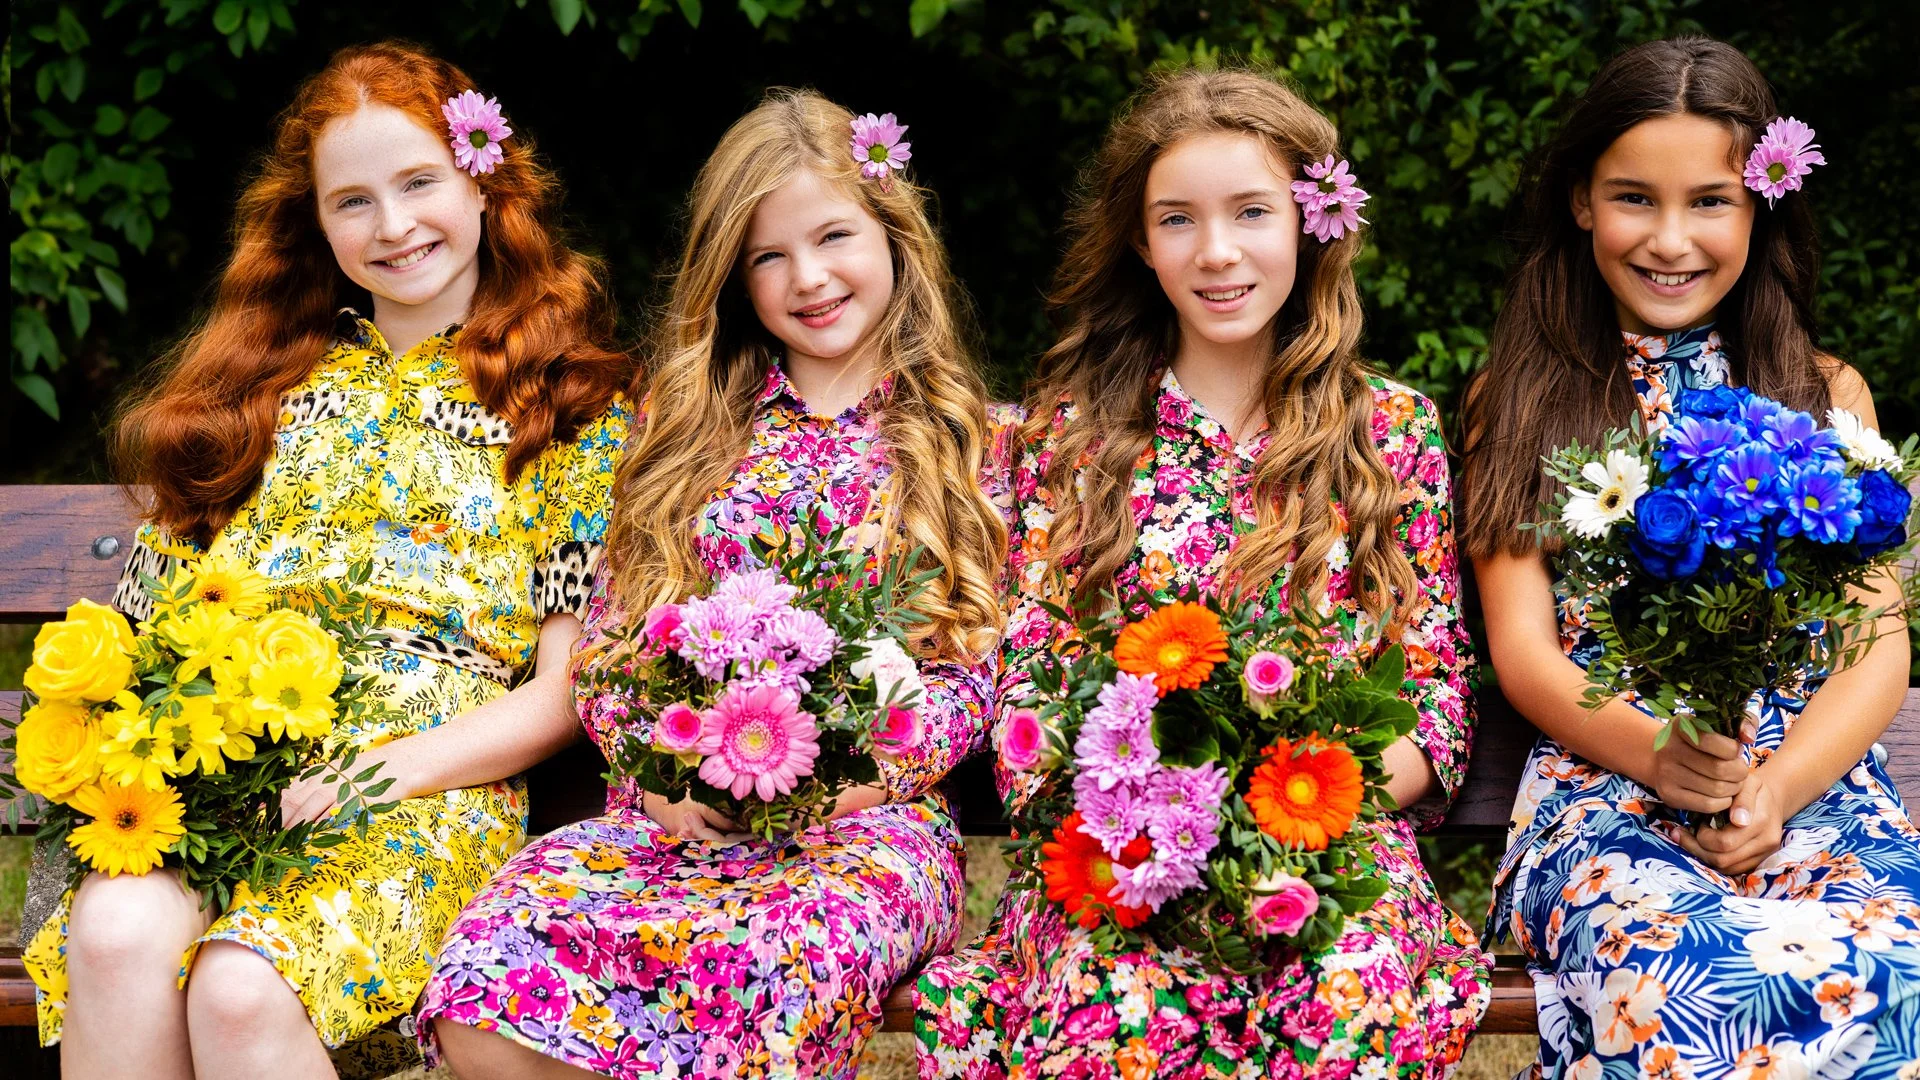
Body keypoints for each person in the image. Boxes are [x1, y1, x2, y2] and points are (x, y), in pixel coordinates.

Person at [21, 41, 633, 1080]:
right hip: (225, 771)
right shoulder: (257, 394)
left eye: (419, 183)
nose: (393, 226)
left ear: (484, 185)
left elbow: (568, 684)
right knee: (118, 934)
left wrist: (389, 769)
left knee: (243, 982)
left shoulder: (568, 408)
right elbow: (144, 627)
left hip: (420, 793)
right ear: (315, 221)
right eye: (353, 201)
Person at [416, 89, 1019, 1079]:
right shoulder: (690, 432)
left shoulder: (964, 441)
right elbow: (615, 644)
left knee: (774, 963)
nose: (809, 277)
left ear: (895, 238)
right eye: (768, 256)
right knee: (493, 955)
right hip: (671, 822)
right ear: (735, 279)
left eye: (833, 237)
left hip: (862, 830)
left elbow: (969, 669)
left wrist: (847, 785)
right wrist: (662, 784)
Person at [917, 67, 1489, 1080]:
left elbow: (1433, 690)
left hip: (1331, 845)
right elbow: (1032, 687)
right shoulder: (1070, 439)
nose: (1216, 251)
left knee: (1343, 991)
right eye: (1178, 219)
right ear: (1142, 242)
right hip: (1117, 861)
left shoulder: (1388, 432)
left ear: (1313, 225)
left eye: (1252, 213)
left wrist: (1304, 819)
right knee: (1118, 1010)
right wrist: (1145, 828)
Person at [1463, 35, 1920, 1077]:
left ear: (1762, 205)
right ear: (1581, 201)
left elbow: (1873, 645)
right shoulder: (1525, 400)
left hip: (1813, 790)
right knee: (1687, 976)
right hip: (1609, 789)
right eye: (1634, 198)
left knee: (1898, 967)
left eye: (1709, 201)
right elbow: (1527, 653)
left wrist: (1779, 789)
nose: (1670, 239)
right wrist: (1661, 757)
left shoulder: (1826, 392)